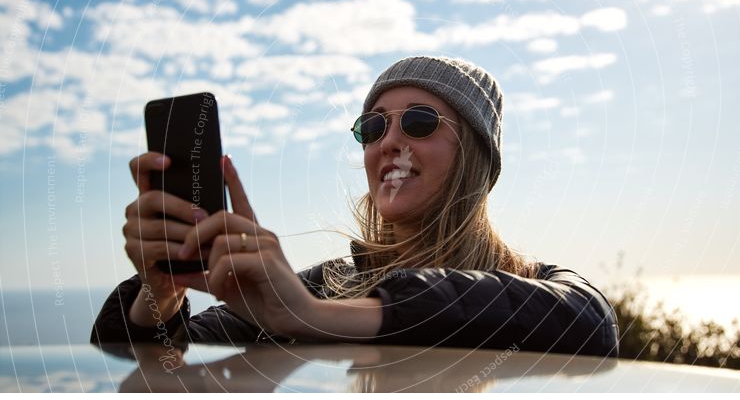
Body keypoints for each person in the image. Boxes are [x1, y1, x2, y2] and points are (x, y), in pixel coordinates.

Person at [91, 55, 619, 357]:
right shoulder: (324, 285)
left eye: (418, 121)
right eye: (372, 127)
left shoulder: (533, 283)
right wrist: (159, 295)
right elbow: (168, 363)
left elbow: (593, 322)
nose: (389, 141)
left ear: (476, 156)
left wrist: (314, 316)